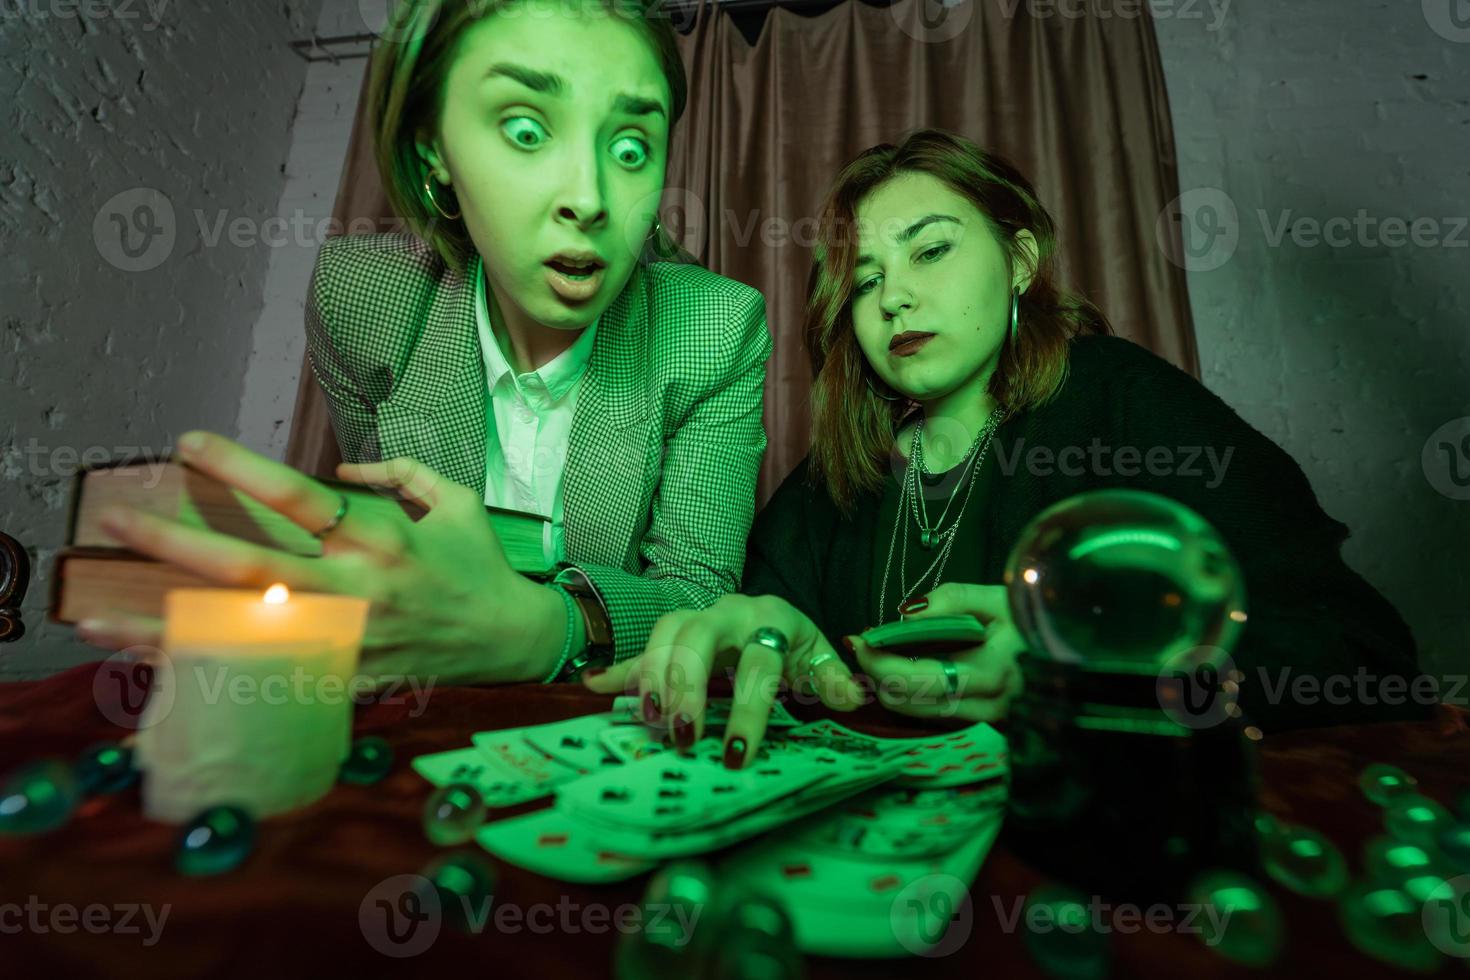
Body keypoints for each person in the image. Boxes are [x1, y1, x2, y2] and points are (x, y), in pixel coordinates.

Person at [587, 128, 1427, 766]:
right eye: (867, 279)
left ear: (1020, 260)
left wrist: (1073, 674)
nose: (896, 298)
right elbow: (769, 656)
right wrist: (764, 647)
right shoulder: (829, 486)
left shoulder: (1120, 402)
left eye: (932, 250)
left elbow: (1362, 653)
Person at [75, 0, 772, 686]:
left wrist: (547, 627)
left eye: (630, 148)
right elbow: (392, 537)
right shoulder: (361, 302)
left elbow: (700, 602)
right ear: (432, 149)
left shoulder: (716, 329)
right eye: (526, 130)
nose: (588, 198)